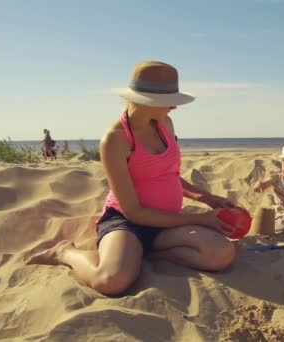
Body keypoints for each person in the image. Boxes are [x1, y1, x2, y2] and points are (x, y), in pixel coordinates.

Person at [26, 61, 237, 295]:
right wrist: (200, 220)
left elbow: (167, 176)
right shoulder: (115, 140)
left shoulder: (164, 124)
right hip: (128, 224)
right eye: (169, 101)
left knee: (221, 254)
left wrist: (206, 197)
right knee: (110, 281)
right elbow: (134, 212)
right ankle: (65, 252)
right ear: (147, 101)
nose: (174, 108)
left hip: (166, 222)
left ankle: (141, 254)